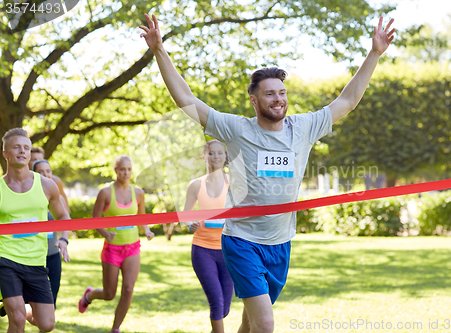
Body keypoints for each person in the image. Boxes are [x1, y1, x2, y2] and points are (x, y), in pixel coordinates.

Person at [140, 14, 395, 333]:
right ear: (254, 99)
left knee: (250, 324)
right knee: (265, 325)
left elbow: (348, 100)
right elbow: (187, 101)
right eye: (270, 93)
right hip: (241, 240)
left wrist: (374, 53)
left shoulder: (303, 127)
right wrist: (159, 51)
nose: (279, 99)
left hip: (281, 242)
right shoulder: (236, 129)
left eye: (282, 92)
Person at [0, 128, 71, 333]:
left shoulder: (47, 186)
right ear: (5, 153)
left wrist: (64, 240)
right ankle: (16, 307)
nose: (22, 152)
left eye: (26, 148)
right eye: (16, 147)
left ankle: (17, 304)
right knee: (18, 320)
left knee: (47, 324)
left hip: (37, 260)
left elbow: (63, 216)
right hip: (6, 259)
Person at [78, 155, 155, 333]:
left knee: (128, 289)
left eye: (129, 169)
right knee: (109, 294)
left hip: (133, 248)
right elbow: (94, 220)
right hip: (112, 249)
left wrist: (147, 231)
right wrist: (106, 233)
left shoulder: (138, 193)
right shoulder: (105, 193)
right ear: (115, 170)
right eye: (122, 169)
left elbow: (142, 218)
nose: (126, 173)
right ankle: (89, 295)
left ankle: (115, 329)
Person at [183, 140, 233, 333]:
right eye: (211, 153)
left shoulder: (234, 183)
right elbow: (185, 215)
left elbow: (242, 214)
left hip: (228, 251)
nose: (216, 157)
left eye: (220, 153)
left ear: (225, 156)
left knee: (225, 308)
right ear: (204, 156)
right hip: (202, 250)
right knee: (217, 303)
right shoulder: (195, 185)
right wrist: (190, 224)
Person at [32, 159, 71, 308]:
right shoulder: (27, 196)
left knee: (51, 301)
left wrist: (64, 240)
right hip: (32, 256)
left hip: (52, 253)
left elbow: (65, 219)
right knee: (30, 300)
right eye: (40, 172)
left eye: (48, 171)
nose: (45, 175)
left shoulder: (57, 197)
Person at [29, 147, 70, 213]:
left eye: (40, 159)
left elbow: (64, 206)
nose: (37, 162)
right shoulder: (23, 181)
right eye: (34, 159)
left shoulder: (55, 181)